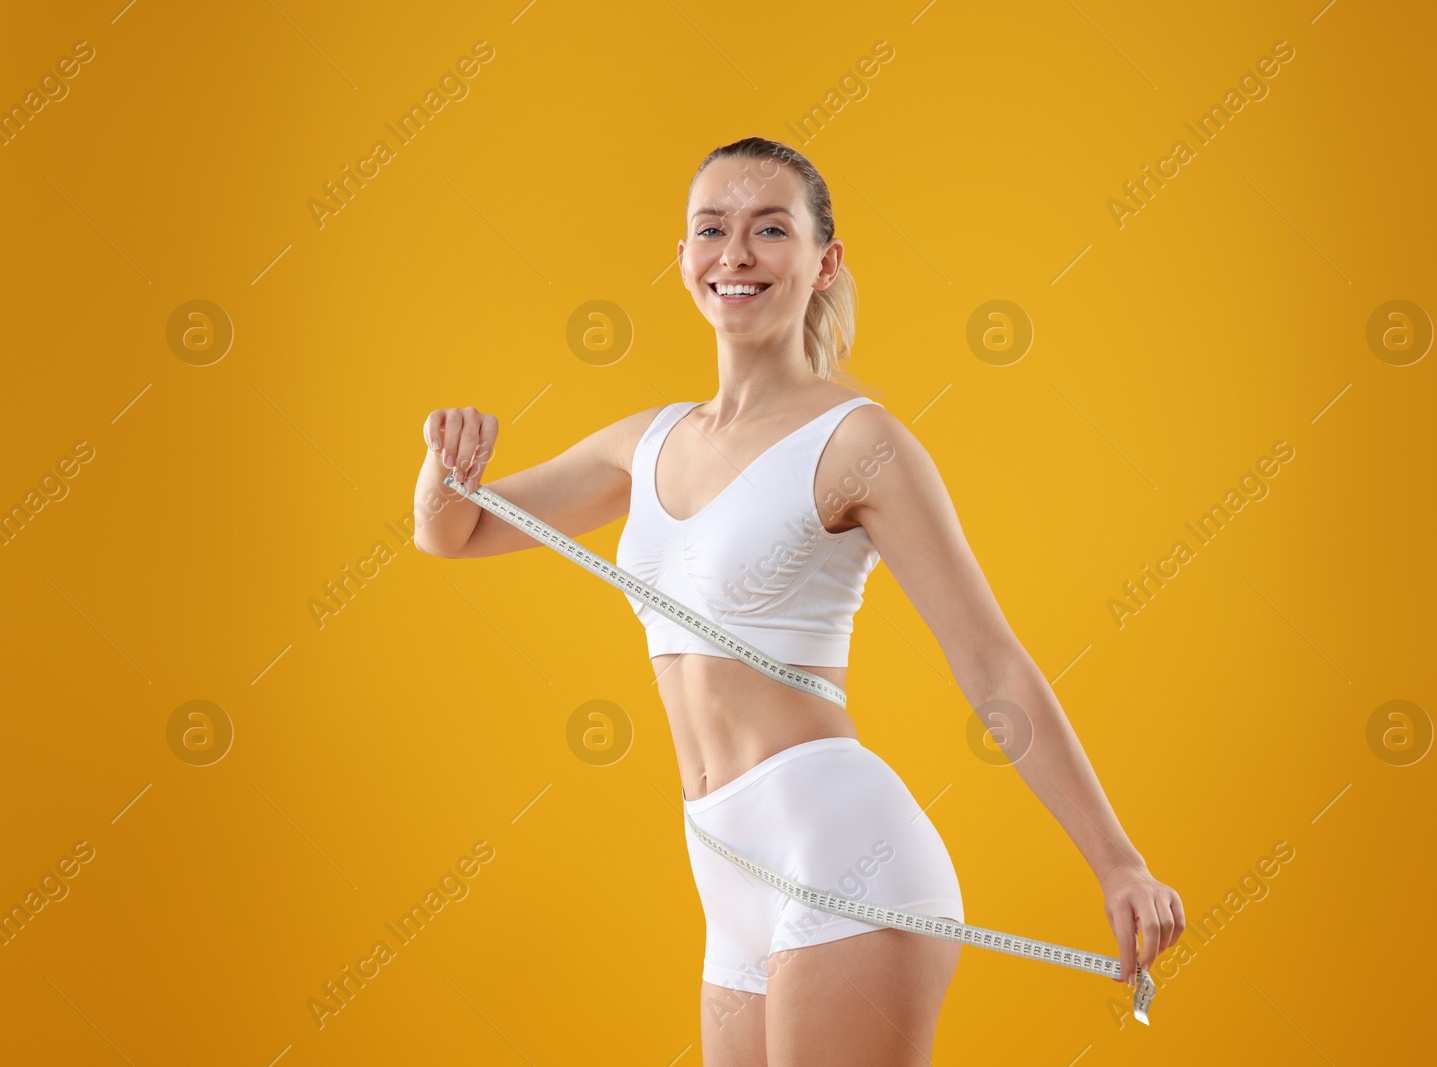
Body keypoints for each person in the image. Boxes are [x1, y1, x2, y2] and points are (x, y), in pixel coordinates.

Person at [413, 136, 1183, 1066]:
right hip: (726, 866)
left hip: (842, 848)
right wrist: (444, 459)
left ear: (824, 263)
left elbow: (989, 660)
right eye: (712, 229)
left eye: (769, 229)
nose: (735, 253)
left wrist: (1117, 862)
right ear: (685, 258)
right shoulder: (645, 442)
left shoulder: (859, 441)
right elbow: (451, 529)